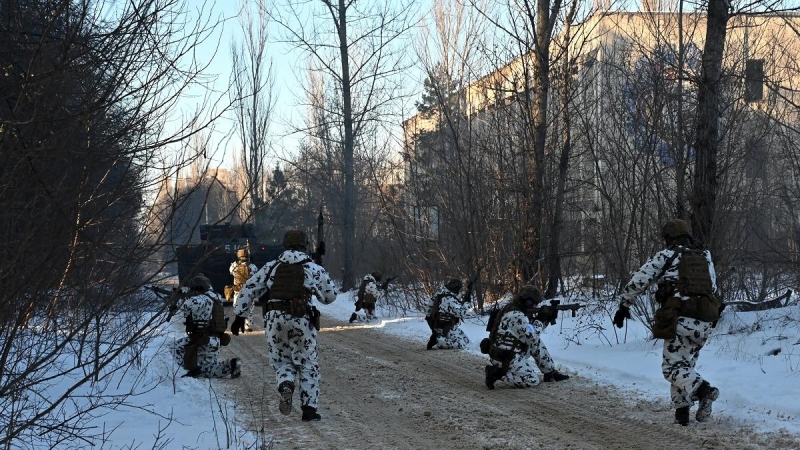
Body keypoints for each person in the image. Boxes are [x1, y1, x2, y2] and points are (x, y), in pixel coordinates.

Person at [612, 218, 722, 426]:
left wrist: (624, 305)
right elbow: (713, 288)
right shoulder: (705, 256)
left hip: (680, 319)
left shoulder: (667, 255)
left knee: (671, 369)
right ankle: (682, 415)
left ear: (669, 237)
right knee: (683, 365)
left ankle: (704, 390)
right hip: (705, 320)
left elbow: (639, 280)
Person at [231, 229, 339, 422]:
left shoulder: (272, 266)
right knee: (307, 364)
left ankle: (286, 384)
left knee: (282, 361)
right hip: (301, 319)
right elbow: (329, 297)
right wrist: (319, 271)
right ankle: (309, 409)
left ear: (285, 244)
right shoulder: (312, 267)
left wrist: (240, 315)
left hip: (274, 318)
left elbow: (249, 288)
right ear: (304, 245)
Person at [483, 285, 569, 389]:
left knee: (536, 342)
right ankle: (497, 373)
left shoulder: (515, 311)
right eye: (534, 303)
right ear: (528, 301)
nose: (535, 305)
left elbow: (531, 330)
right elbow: (531, 336)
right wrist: (540, 319)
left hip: (508, 351)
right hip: (505, 356)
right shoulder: (515, 315)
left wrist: (546, 319)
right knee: (532, 381)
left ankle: (550, 372)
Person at [170, 274, 241, 379]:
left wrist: (175, 300)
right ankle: (231, 364)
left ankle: (192, 368)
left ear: (197, 288)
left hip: (202, 338)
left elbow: (181, 308)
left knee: (174, 347)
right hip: (215, 340)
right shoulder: (215, 298)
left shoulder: (201, 299)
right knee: (207, 369)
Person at [424, 278, 471, 350]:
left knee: (466, 341)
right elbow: (462, 313)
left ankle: (438, 336)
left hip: (440, 325)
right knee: (461, 344)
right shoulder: (449, 299)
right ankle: (440, 341)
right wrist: (467, 302)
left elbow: (428, 306)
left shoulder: (441, 293)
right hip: (446, 327)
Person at [229, 248, 258, 333]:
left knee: (237, 307)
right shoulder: (252, 266)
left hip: (238, 290)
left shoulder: (234, 266)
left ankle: (238, 323)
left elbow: (231, 272)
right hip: (249, 291)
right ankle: (248, 326)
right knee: (250, 308)